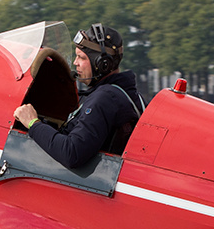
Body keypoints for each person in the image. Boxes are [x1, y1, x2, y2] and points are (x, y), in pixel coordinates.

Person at [12, 23, 143, 169]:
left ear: (101, 64)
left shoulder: (104, 99)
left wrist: (33, 124)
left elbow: (72, 153)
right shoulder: (127, 95)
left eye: (81, 57)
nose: (75, 63)